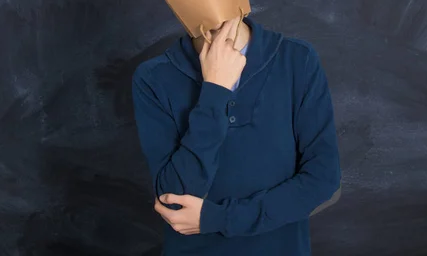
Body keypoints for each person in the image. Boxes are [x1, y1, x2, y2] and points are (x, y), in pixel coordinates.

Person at [131, 14, 341, 255]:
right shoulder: (153, 77)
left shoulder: (296, 59)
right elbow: (175, 200)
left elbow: (322, 180)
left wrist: (220, 218)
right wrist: (215, 92)